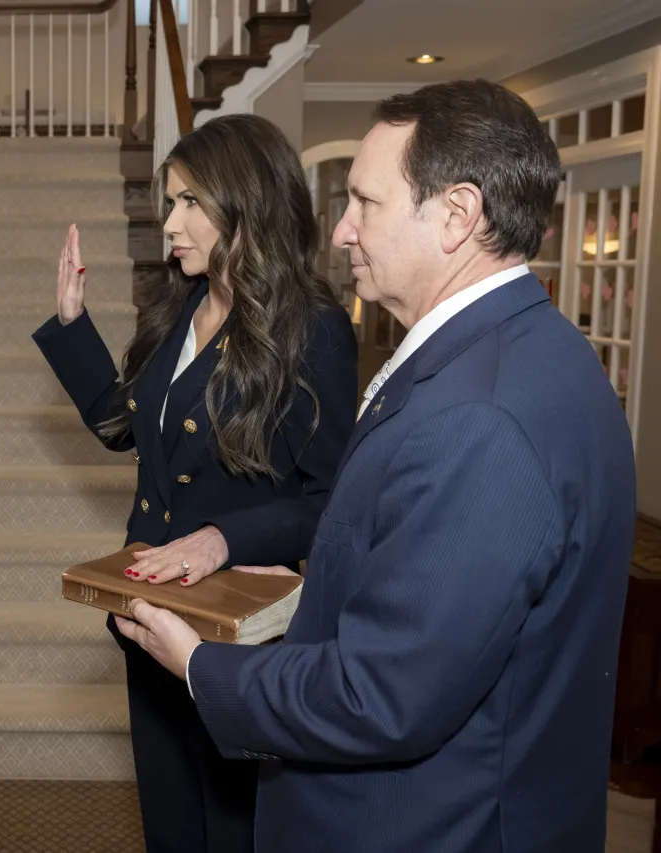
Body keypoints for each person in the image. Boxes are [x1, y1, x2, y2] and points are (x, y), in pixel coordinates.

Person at [117, 80, 638, 852]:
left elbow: (382, 694)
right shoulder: (544, 352)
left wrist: (200, 667)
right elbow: (447, 599)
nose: (340, 231)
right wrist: (314, 585)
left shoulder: (478, 419)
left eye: (366, 202)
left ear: (457, 216)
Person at [32, 114, 358, 853]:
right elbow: (126, 425)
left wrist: (224, 538)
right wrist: (72, 324)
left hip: (235, 641)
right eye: (170, 202)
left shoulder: (314, 330)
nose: (169, 222)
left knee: (233, 829)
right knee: (170, 825)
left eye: (188, 203)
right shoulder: (176, 305)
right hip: (147, 616)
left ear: (245, 206)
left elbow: (333, 503)